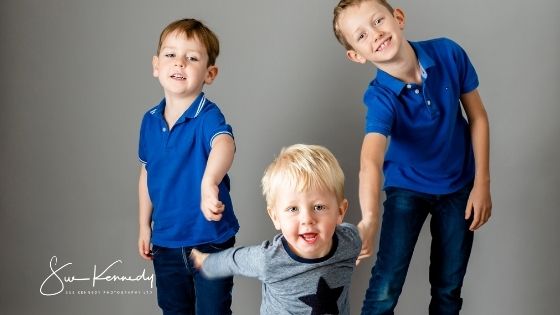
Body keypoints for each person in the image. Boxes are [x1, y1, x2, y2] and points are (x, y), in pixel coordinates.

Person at [332, 1, 492, 314]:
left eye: (378, 21)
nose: (375, 34)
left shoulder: (448, 53)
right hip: (408, 188)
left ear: (398, 17)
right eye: (361, 36)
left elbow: (479, 117)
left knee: (448, 288)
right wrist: (369, 219)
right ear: (356, 55)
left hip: (459, 186)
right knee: (385, 287)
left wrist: (482, 183)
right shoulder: (380, 97)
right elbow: (370, 161)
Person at [137, 18, 239, 315]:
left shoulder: (207, 116)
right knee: (174, 310)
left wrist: (209, 183)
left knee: (213, 310)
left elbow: (224, 144)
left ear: (210, 73)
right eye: (171, 55)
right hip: (166, 241)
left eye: (192, 58)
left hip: (210, 239)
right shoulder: (150, 120)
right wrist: (145, 224)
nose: (179, 63)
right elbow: (147, 172)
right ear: (156, 65)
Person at [191, 144, 362, 315]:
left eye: (318, 207)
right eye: (293, 209)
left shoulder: (350, 241)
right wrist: (205, 262)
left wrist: (369, 223)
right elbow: (234, 261)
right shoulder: (269, 260)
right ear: (275, 217)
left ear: (340, 211)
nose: (307, 220)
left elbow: (362, 234)